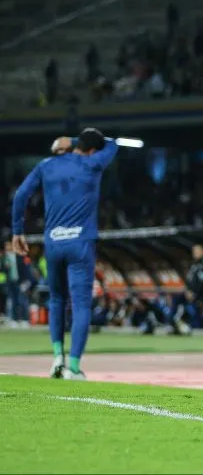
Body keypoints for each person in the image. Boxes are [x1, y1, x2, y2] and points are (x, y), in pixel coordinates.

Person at [10, 128, 119, 380]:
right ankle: (73, 366)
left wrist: (17, 232)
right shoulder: (93, 163)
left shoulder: (46, 165)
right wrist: (72, 141)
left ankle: (57, 358)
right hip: (81, 243)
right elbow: (113, 144)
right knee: (81, 305)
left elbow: (20, 196)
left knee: (57, 300)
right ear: (92, 150)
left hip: (54, 243)